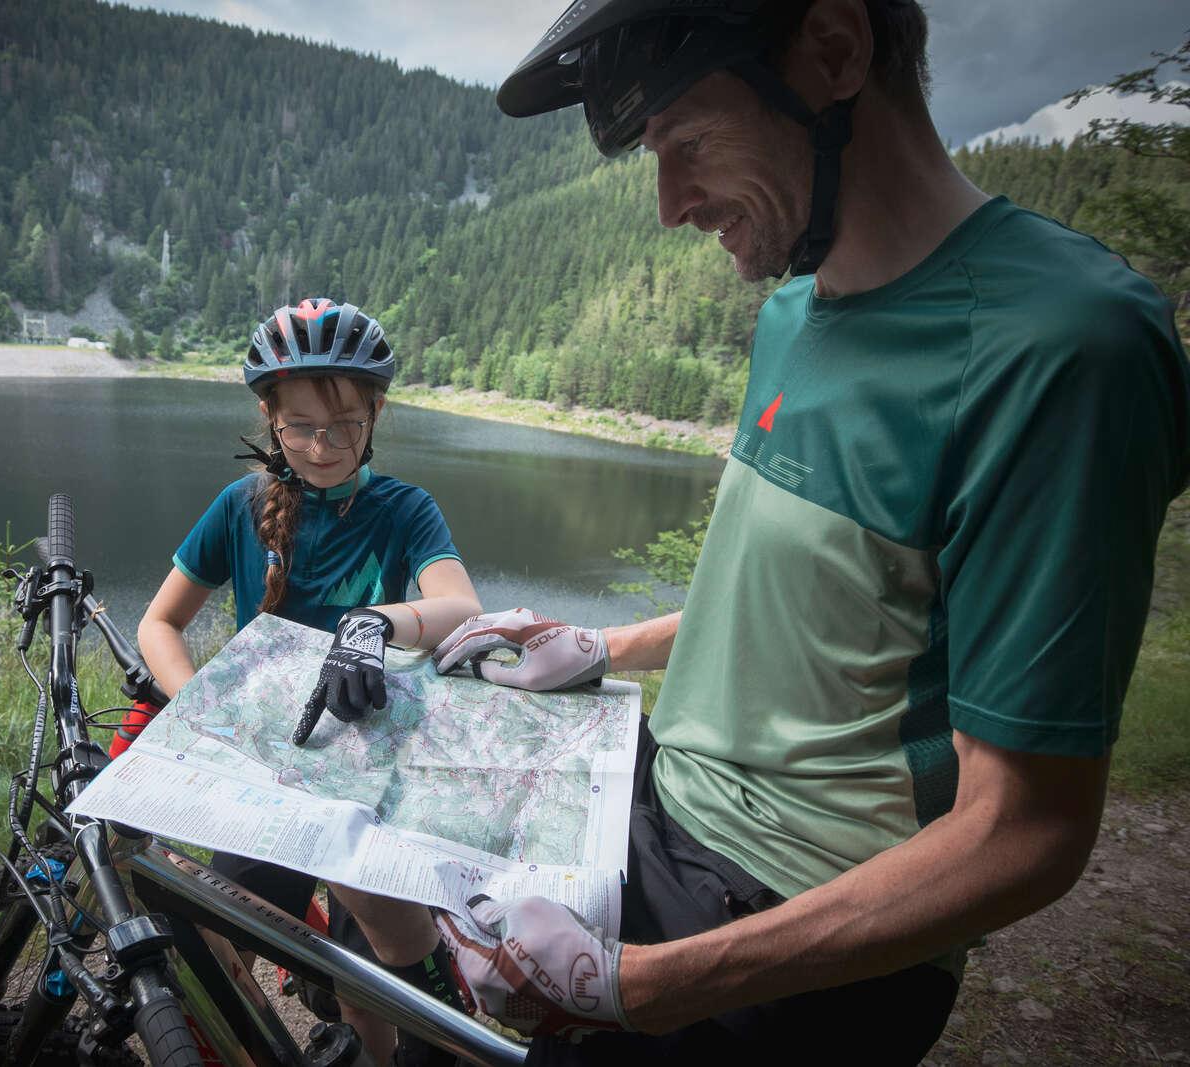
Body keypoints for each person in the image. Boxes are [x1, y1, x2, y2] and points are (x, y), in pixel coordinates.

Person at [428, 0, 1190, 1063]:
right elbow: (811, 613)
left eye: (687, 143)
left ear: (833, 49)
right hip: (656, 803)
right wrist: (604, 645)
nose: (668, 205)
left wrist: (645, 985)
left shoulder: (1062, 351)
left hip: (794, 924)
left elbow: (1026, 831)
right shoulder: (794, 311)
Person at [133, 297, 482, 1067]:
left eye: (345, 425)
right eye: (299, 426)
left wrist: (380, 623)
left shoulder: (402, 510)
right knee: (218, 948)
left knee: (369, 987)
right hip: (270, 775)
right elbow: (159, 623)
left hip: (368, 779)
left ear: (376, 413)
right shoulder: (243, 506)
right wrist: (203, 704)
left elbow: (460, 606)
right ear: (269, 417)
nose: (322, 446)